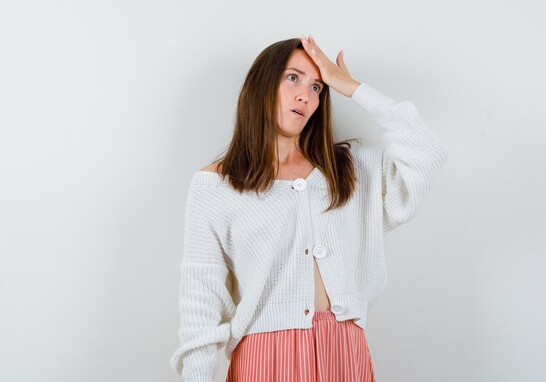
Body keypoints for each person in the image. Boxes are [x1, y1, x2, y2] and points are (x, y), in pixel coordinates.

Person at [169, 35, 449, 382]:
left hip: (345, 353)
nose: (306, 95)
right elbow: (200, 304)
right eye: (293, 78)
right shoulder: (216, 185)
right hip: (264, 360)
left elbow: (429, 153)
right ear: (262, 85)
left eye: (318, 87)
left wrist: (351, 87)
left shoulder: (351, 171)